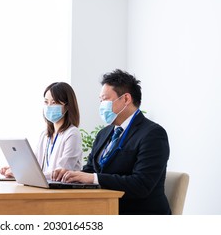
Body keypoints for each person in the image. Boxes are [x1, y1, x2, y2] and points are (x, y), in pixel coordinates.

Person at [53, 69, 171, 215]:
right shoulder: (104, 133)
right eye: (100, 100)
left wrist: (93, 178)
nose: (101, 104)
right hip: (104, 208)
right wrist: (72, 175)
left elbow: (141, 184)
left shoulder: (152, 134)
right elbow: (91, 170)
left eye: (105, 99)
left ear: (126, 99)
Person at [0, 82, 82, 180]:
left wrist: (21, 172)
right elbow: (35, 166)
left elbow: (60, 173)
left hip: (62, 190)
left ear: (67, 106)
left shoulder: (72, 133)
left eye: (54, 102)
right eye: (46, 102)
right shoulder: (45, 135)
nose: (49, 106)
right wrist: (15, 169)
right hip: (45, 188)